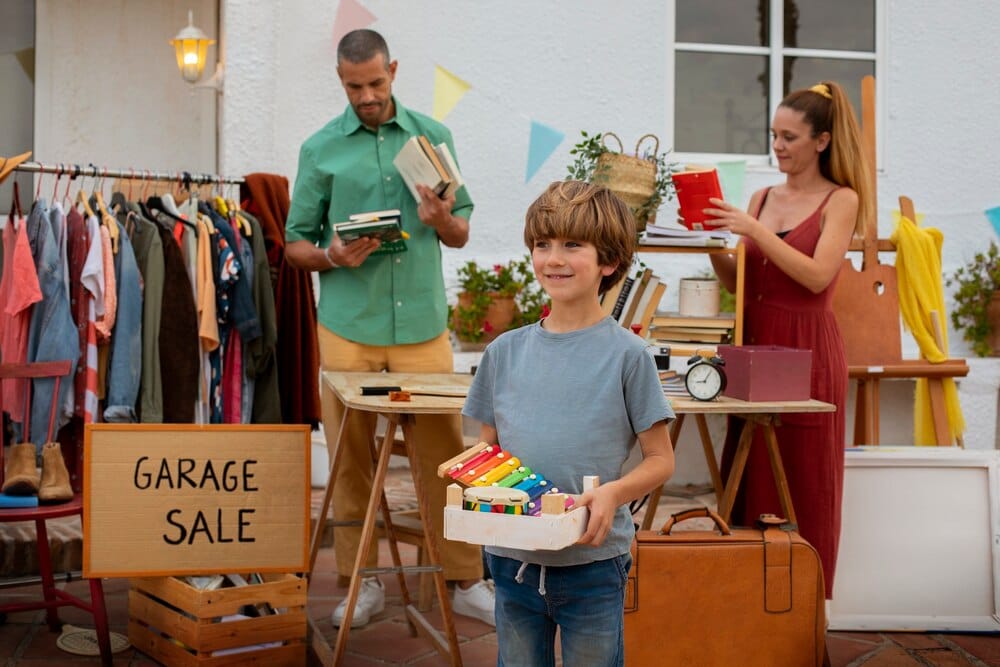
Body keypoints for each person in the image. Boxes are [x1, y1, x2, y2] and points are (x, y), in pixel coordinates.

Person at [284, 28, 493, 627]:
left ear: (393, 70)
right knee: (350, 461)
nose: (367, 96)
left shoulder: (434, 137)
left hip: (423, 328)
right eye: (355, 87)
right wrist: (330, 256)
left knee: (447, 455)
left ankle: (464, 580)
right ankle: (359, 583)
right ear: (341, 80)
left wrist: (442, 218)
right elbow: (295, 244)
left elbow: (460, 233)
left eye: (376, 83)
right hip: (348, 327)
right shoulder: (320, 148)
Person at [462, 180, 676, 665]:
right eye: (543, 244)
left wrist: (613, 494)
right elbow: (487, 455)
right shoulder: (503, 353)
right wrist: (473, 485)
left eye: (572, 245)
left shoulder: (629, 356)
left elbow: (661, 460)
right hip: (513, 560)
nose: (553, 258)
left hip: (593, 565)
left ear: (609, 262)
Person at [706, 80, 873, 599]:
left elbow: (819, 277)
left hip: (806, 353)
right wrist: (712, 244)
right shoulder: (760, 197)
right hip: (753, 348)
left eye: (789, 136)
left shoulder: (840, 199)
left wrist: (751, 233)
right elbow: (742, 282)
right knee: (748, 476)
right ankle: (750, 610)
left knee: (805, 481)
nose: (777, 146)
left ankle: (803, 612)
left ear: (821, 141)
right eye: (773, 135)